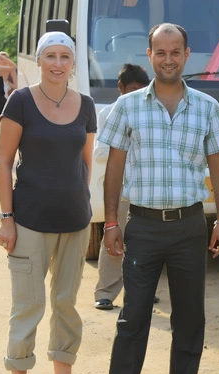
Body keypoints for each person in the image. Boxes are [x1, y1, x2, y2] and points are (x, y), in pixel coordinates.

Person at [98, 23, 219, 374]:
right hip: (142, 227)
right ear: (150, 56)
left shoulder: (206, 107)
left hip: (189, 227)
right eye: (161, 52)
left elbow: (218, 167)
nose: (168, 59)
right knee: (133, 317)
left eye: (175, 52)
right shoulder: (127, 106)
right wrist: (110, 222)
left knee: (189, 318)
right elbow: (114, 167)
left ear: (187, 55)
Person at [0, 31, 96, 374]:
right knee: (28, 306)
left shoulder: (86, 105)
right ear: (38, 60)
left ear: (73, 63)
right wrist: (7, 218)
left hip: (75, 222)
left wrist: (82, 204)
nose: (57, 63)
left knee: (66, 304)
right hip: (29, 221)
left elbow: (86, 162)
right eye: (50, 56)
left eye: (64, 56)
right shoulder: (20, 101)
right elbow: (4, 164)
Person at [92, 63, 161, 310]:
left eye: (142, 89)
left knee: (146, 243)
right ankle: (105, 292)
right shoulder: (108, 113)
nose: (138, 94)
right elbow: (100, 152)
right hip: (121, 188)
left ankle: (142, 290)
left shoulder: (154, 113)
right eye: (133, 89)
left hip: (148, 188)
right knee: (114, 237)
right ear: (120, 88)